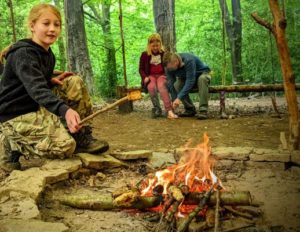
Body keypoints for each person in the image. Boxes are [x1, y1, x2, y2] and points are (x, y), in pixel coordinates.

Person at [0, 3, 108, 172]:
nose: (52, 29)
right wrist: (64, 110)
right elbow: (36, 88)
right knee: (64, 147)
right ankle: (10, 142)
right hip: (15, 113)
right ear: (32, 26)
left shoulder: (48, 54)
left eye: (56, 24)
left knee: (74, 82)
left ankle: (80, 135)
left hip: (36, 106)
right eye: (46, 23)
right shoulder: (23, 53)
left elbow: (31, 82)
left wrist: (50, 81)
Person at [139, 33, 178, 119]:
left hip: (162, 75)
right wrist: (144, 77)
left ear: (160, 44)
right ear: (149, 45)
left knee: (161, 86)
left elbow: (169, 66)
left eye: (157, 45)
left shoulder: (164, 53)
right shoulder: (144, 55)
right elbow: (141, 69)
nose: (155, 48)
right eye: (153, 46)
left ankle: (169, 110)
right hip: (150, 76)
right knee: (151, 87)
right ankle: (157, 108)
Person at [163, 52, 211, 120]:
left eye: (171, 68)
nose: (169, 70)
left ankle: (203, 110)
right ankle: (190, 109)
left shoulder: (188, 60)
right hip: (187, 78)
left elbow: (190, 81)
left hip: (202, 74)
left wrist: (179, 98)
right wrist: (174, 101)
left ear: (176, 62)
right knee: (177, 84)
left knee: (202, 79)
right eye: (168, 68)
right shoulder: (168, 67)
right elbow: (171, 83)